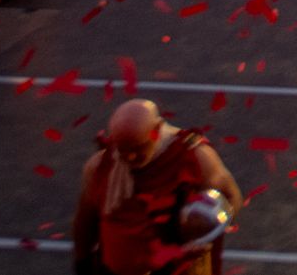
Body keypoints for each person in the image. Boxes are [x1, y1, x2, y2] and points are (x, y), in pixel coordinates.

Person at [72, 98, 243, 275]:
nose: (131, 158)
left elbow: (231, 197)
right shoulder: (102, 167)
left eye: (138, 148)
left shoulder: (194, 159)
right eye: (124, 150)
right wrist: (83, 263)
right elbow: (86, 221)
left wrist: (206, 231)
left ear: (156, 131)